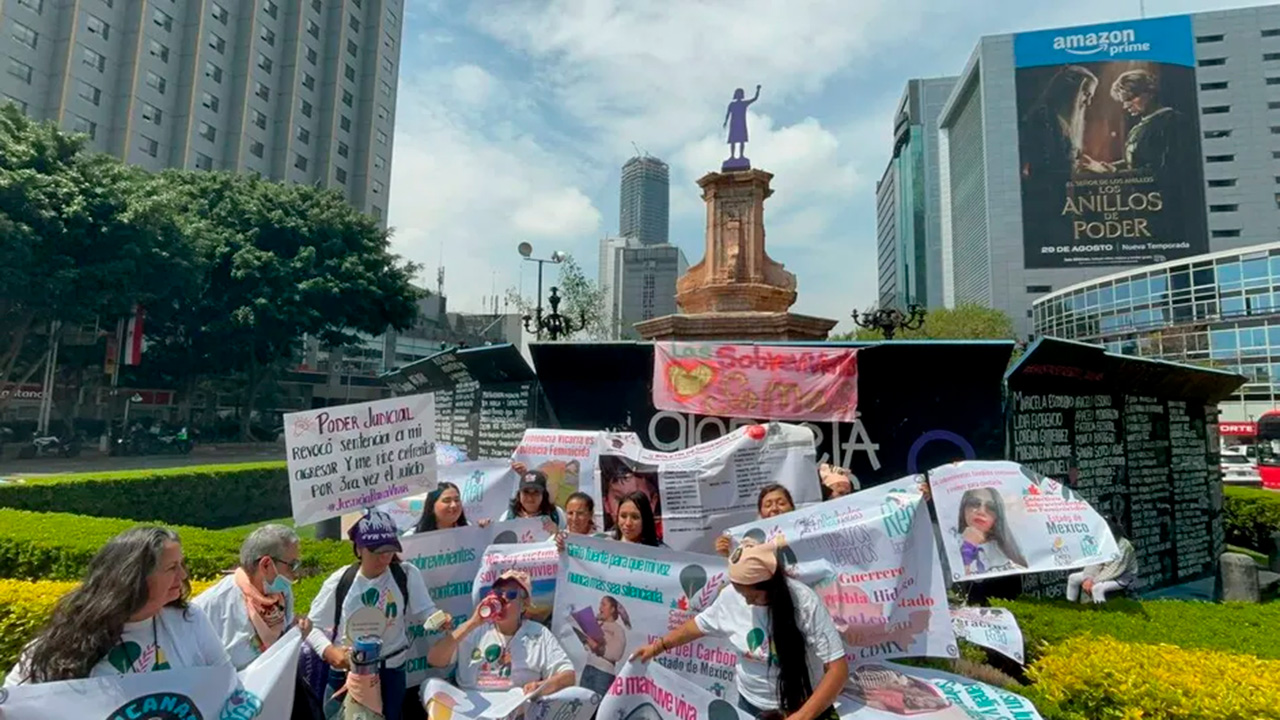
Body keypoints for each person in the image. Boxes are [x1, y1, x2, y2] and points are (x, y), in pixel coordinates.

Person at [632, 543, 848, 720]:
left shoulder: (804, 603)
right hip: (750, 706)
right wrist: (657, 647)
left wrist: (802, 716)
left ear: (769, 587)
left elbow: (838, 670)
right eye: (741, 594)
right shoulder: (730, 597)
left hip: (802, 705)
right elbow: (695, 626)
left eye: (751, 596)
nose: (746, 601)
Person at [5, 526, 231, 685]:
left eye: (181, 565)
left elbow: (227, 683)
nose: (182, 575)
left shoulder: (190, 619)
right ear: (135, 578)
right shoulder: (69, 638)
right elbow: (15, 699)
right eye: (172, 568)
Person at [306, 510, 440, 720]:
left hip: (391, 671)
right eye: (376, 552)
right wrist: (329, 651)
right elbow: (311, 626)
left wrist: (440, 620)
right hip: (348, 672)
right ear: (359, 549)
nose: (384, 558)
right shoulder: (341, 581)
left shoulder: (405, 574)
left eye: (389, 551)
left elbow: (426, 611)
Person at [425, 570, 575, 700]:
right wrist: (472, 623)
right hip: (472, 707)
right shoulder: (474, 629)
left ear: (524, 605)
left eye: (510, 594)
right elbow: (435, 660)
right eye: (497, 593)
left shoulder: (539, 634)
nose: (502, 599)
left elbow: (568, 676)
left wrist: (540, 686)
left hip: (513, 708)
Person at [194, 524, 310, 670]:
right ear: (266, 565)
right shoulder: (209, 606)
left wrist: (297, 631)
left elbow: (283, 638)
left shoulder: (282, 592)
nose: (296, 573)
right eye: (292, 565)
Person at [956, 487, 1027, 575]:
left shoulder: (1010, 545)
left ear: (998, 514)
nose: (981, 511)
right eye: (974, 503)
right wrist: (968, 548)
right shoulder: (949, 543)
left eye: (991, 507)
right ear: (964, 508)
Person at [1066, 518, 1138, 604]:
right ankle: (1071, 606)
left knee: (1097, 588)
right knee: (1073, 578)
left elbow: (1115, 570)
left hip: (1122, 577)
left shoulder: (1124, 546)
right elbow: (1094, 561)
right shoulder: (1102, 541)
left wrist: (1093, 581)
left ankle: (1102, 610)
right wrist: (1088, 578)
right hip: (1103, 571)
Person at [715, 484, 795, 557]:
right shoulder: (752, 541)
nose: (774, 508)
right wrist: (729, 552)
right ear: (760, 512)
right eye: (768, 505)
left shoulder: (802, 531)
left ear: (792, 507)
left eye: (781, 503)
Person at [578, 596, 631, 697]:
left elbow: (617, 655)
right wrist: (585, 638)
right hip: (588, 668)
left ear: (612, 609)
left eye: (603, 604)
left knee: (597, 704)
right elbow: (588, 647)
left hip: (603, 673)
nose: (600, 608)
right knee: (582, 702)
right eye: (600, 604)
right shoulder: (597, 624)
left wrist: (599, 649)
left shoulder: (618, 629)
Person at [499, 469, 566, 534]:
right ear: (519, 494)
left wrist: (557, 533)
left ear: (543, 495)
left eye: (536, 492)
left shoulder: (556, 514)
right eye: (526, 492)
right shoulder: (508, 517)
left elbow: (568, 537)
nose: (530, 498)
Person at [410, 481, 489, 535]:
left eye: (457, 500)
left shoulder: (468, 529)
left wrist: (483, 531)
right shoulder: (412, 536)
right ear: (432, 506)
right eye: (447, 500)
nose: (454, 505)